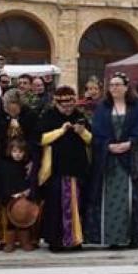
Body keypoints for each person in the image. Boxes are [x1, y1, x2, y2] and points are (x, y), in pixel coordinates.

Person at [83, 72, 138, 248]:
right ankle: (111, 236)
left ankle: (130, 237)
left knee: (129, 198)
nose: (114, 88)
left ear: (126, 87)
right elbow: (96, 133)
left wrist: (131, 143)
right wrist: (107, 146)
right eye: (111, 85)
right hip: (108, 161)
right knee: (109, 197)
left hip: (130, 159)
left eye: (117, 84)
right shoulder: (103, 107)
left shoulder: (136, 106)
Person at [36, 86, 91, 251]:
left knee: (78, 205)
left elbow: (91, 140)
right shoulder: (48, 116)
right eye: (63, 104)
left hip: (77, 169)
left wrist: (82, 132)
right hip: (56, 170)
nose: (67, 107)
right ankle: (56, 240)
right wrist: (61, 131)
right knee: (55, 207)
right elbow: (41, 138)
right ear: (57, 103)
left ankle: (76, 239)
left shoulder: (80, 117)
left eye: (70, 103)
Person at [0, 138, 36, 253]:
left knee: (24, 220)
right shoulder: (5, 166)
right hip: (10, 199)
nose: (17, 154)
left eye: (20, 152)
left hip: (24, 199)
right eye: (15, 151)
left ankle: (25, 242)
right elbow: (3, 183)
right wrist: (10, 194)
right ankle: (10, 243)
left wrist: (26, 192)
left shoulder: (27, 166)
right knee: (10, 222)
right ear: (10, 151)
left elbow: (31, 182)